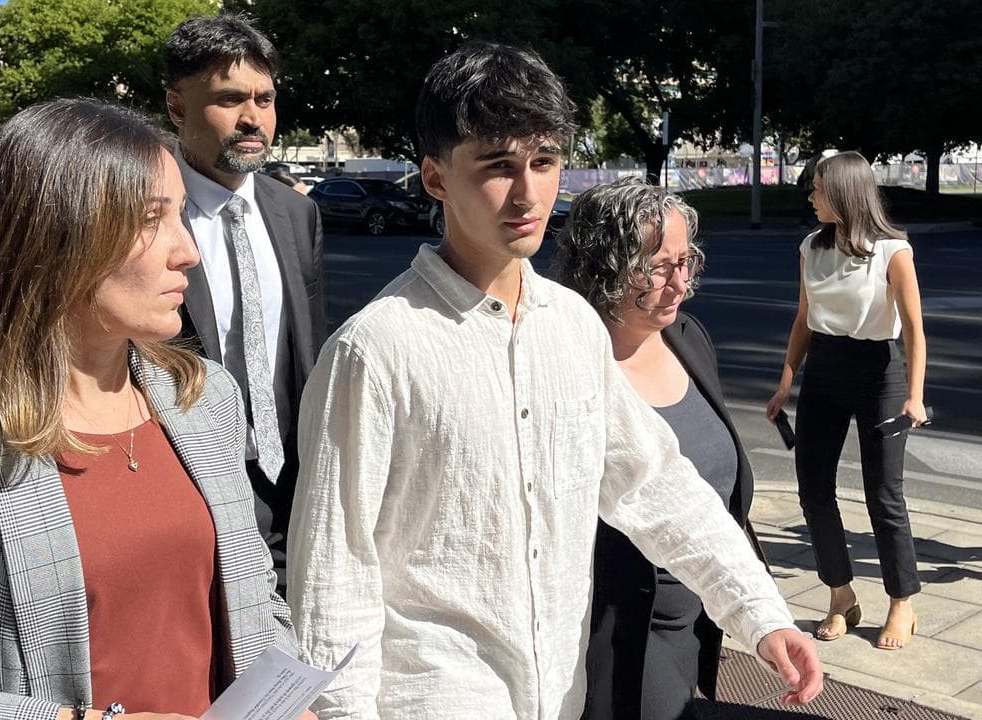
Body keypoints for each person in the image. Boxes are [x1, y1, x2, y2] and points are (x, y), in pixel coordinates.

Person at [288, 41, 822, 720]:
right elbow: (335, 574)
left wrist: (758, 611)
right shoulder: (374, 350)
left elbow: (654, 484)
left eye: (544, 162)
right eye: (497, 166)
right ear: (434, 177)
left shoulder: (571, 326)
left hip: (559, 699)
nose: (529, 192)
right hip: (430, 699)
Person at [0, 98, 297, 720]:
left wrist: (288, 698)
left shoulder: (203, 398)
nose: (187, 251)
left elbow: (256, 597)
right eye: (153, 219)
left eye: (182, 215)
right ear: (55, 238)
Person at [553, 177, 765, 720]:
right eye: (657, 266)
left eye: (685, 260)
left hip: (697, 615)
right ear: (603, 266)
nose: (679, 282)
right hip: (616, 632)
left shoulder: (688, 336)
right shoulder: (569, 364)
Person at [163, 14, 326, 592]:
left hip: (291, 480)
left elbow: (304, 349)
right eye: (230, 99)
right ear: (178, 107)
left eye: (265, 98)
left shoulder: (296, 213)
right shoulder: (143, 210)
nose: (253, 117)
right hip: (187, 483)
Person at [766, 150, 928, 650]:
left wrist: (915, 397)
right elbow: (803, 319)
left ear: (841, 193)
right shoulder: (810, 248)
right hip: (825, 371)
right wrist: (785, 383)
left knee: (884, 495)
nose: (810, 196)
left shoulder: (891, 252)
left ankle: (902, 603)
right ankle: (841, 596)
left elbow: (916, 333)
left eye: (816, 188)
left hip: (881, 374)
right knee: (814, 491)